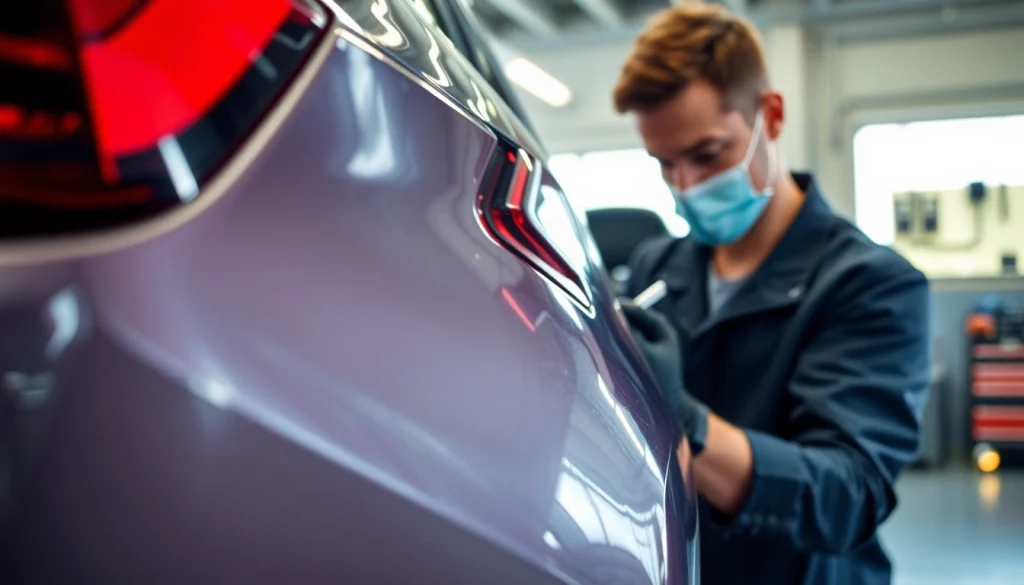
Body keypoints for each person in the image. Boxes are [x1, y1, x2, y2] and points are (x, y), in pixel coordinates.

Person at [611, 3, 931, 585]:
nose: (686, 187)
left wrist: (688, 421)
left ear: (771, 116)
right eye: (664, 164)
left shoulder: (872, 284)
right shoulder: (657, 264)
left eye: (708, 154)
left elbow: (847, 495)